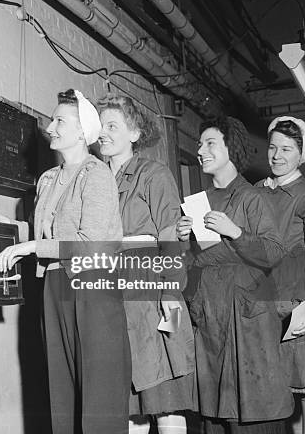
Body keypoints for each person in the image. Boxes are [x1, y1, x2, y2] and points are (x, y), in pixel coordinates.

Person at [0, 89, 129, 434]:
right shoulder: (47, 179)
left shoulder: (97, 175)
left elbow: (90, 244)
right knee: (61, 396)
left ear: (82, 132)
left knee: (99, 400)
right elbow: (40, 234)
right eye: (52, 119)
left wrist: (30, 248)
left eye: (60, 120)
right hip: (55, 287)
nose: (50, 126)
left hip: (93, 289)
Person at [176, 116, 292, 433]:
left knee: (255, 416)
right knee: (214, 417)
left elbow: (275, 252)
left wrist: (236, 232)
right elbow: (189, 273)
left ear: (232, 148)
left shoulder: (253, 198)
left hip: (248, 326)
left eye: (210, 143)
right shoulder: (197, 205)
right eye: (199, 144)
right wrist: (184, 245)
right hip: (211, 322)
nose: (201, 150)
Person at [97, 96, 194, 434]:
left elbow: (171, 235)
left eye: (113, 126)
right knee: (128, 408)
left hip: (154, 298)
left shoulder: (154, 174)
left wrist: (169, 291)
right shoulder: (95, 180)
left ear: (135, 133)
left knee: (165, 403)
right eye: (101, 125)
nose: (103, 133)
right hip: (111, 299)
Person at [256, 116, 305, 434]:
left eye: (287, 149)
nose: (277, 155)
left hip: (296, 302)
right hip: (263, 306)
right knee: (280, 402)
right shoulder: (257, 192)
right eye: (273, 147)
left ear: (300, 153)